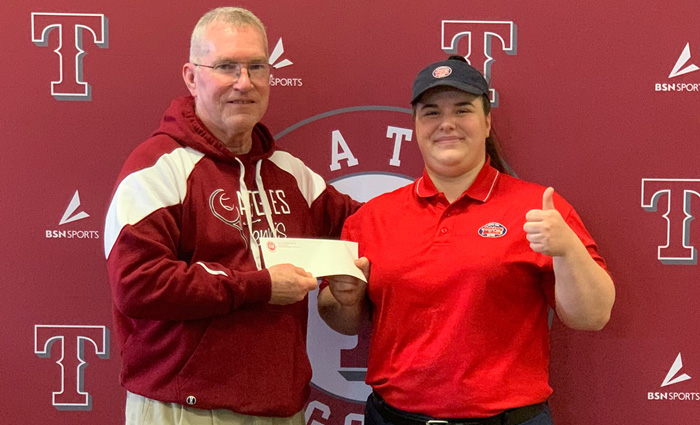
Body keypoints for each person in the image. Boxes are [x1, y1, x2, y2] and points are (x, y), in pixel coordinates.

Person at [317, 56, 615, 425]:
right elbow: (342, 320)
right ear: (415, 126)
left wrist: (568, 250)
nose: (447, 123)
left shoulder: (539, 209)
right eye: (431, 113)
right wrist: (346, 301)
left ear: (487, 122)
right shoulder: (372, 218)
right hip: (392, 419)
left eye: (463, 110)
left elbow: (592, 316)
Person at [103, 7, 360, 425]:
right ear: (192, 77)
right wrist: (260, 286)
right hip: (183, 410)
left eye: (257, 66)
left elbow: (367, 224)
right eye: (226, 67)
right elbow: (139, 284)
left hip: (282, 410)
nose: (245, 82)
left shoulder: (290, 174)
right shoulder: (158, 168)